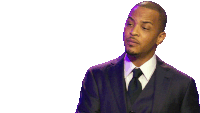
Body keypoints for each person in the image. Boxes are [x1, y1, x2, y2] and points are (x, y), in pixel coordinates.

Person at [76, 1, 199, 113]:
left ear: (160, 37)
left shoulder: (182, 85)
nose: (133, 32)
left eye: (144, 27)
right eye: (129, 24)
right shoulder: (97, 76)